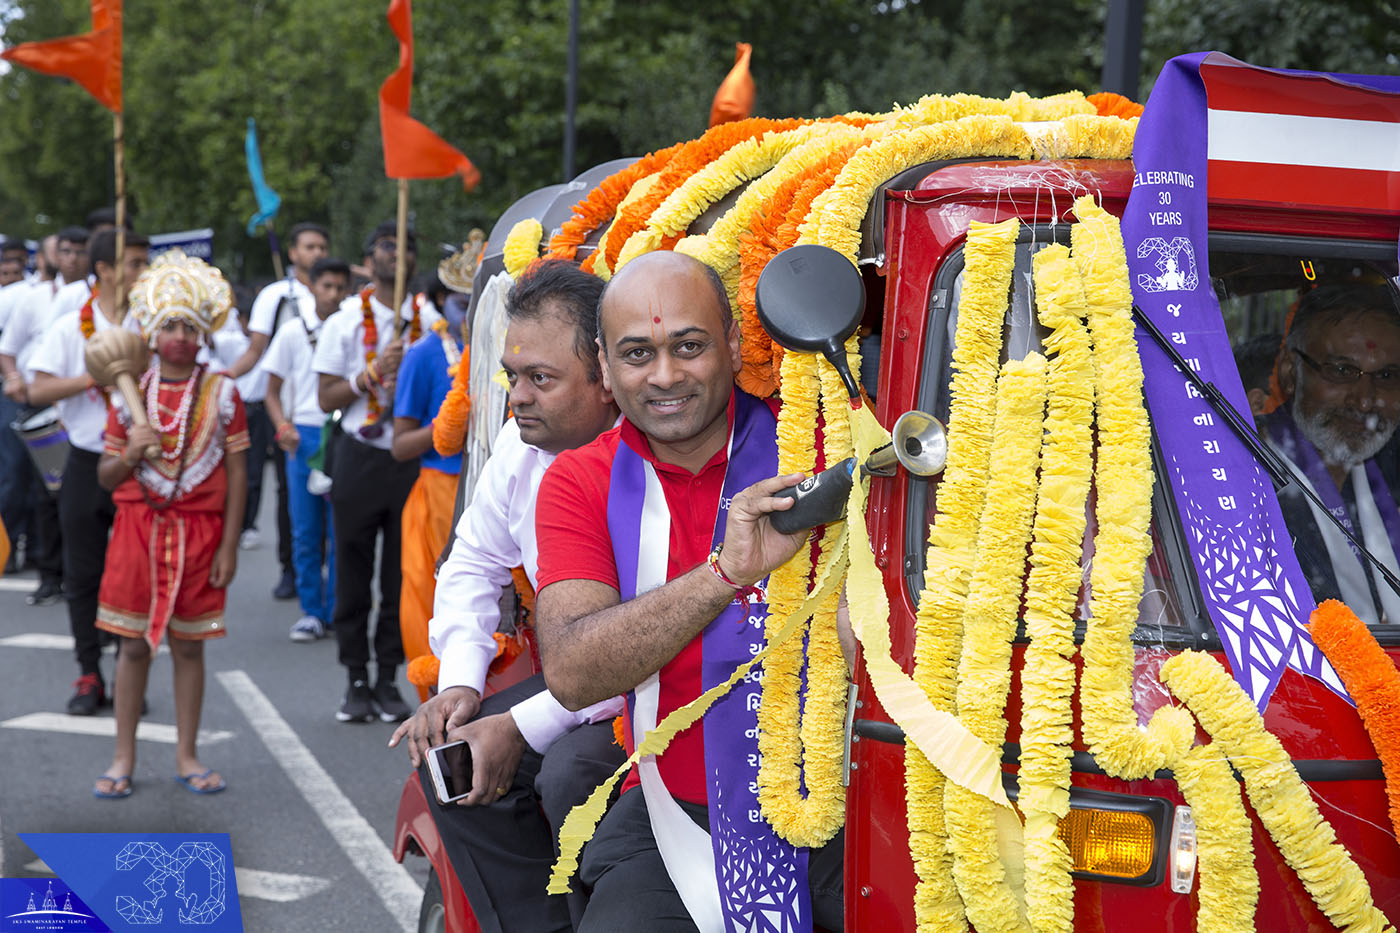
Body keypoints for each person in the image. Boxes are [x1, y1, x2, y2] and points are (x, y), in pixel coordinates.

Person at [534, 251, 844, 932]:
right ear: (605, 366)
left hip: (840, 796)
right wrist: (723, 575)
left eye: (690, 345)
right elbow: (573, 673)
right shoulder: (579, 481)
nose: (666, 375)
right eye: (638, 352)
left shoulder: (824, 444)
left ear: (734, 345)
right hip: (680, 807)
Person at [388, 258, 625, 933]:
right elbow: (470, 565)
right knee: (453, 760)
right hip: (575, 678)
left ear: (605, 376)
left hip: (652, 686)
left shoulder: (643, 461)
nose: (518, 397)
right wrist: (461, 683)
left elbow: (627, 656)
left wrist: (516, 727)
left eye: (540, 379)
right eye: (512, 377)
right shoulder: (521, 454)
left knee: (571, 773)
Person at [91, 249, 248, 798]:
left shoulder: (225, 393)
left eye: (190, 325)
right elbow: (106, 478)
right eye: (169, 325)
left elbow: (237, 473)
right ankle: (122, 756)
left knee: (189, 647)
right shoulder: (127, 391)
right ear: (151, 332)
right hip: (138, 532)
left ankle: (186, 752)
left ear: (205, 332)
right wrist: (131, 452)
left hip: (200, 536)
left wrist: (229, 545)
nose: (180, 335)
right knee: (132, 647)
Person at [313, 221, 438, 723]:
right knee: (353, 568)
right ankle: (355, 678)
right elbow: (326, 397)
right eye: (388, 245)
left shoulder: (428, 320)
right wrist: (370, 375)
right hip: (359, 455)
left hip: (408, 458)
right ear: (370, 258)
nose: (398, 253)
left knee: (401, 574)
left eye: (407, 246)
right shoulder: (345, 321)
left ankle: (389, 678)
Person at [27, 229, 150, 714]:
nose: (143, 273)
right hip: (84, 460)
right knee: (83, 574)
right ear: (105, 269)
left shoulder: (150, 323)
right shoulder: (68, 326)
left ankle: (127, 673)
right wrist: (95, 374)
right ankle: (87, 674)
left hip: (136, 464)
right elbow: (36, 391)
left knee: (133, 575)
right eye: (135, 263)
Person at [1266, 283, 1400, 625]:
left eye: (1386, 376)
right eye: (1341, 371)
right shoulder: (1241, 468)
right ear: (1290, 373)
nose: (1365, 401)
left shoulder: (1390, 468)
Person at [228, 223, 328, 597]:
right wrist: (224, 377)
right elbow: (256, 350)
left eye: (321, 246)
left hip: (328, 414)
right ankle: (291, 569)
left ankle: (327, 579)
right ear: (292, 253)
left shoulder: (339, 294)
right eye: (309, 246)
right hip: (283, 408)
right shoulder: (276, 296)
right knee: (290, 494)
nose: (316, 253)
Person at [263, 257, 349, 641]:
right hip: (305, 435)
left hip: (342, 434)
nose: (332, 294)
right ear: (312, 287)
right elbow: (271, 390)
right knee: (305, 528)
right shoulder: (292, 332)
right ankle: (312, 610)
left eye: (339, 287)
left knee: (340, 527)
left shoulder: (353, 329)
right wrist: (282, 425)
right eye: (326, 286)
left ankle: (338, 608)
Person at [390, 275, 467, 701]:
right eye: (461, 301)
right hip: (440, 492)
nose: (469, 310)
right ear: (441, 301)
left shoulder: (504, 347)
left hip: (490, 489)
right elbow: (400, 445)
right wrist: (448, 427)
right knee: (437, 605)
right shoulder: (423, 355)